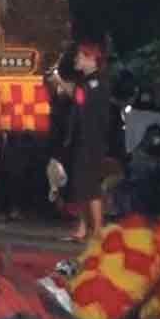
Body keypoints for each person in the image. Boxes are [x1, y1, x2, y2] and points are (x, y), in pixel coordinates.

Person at [65, 41, 110, 242]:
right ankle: (83, 227)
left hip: (92, 141)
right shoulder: (84, 82)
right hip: (81, 139)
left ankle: (98, 228)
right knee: (80, 185)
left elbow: (91, 111)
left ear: (91, 59)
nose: (77, 60)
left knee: (91, 185)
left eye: (80, 56)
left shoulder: (98, 82)